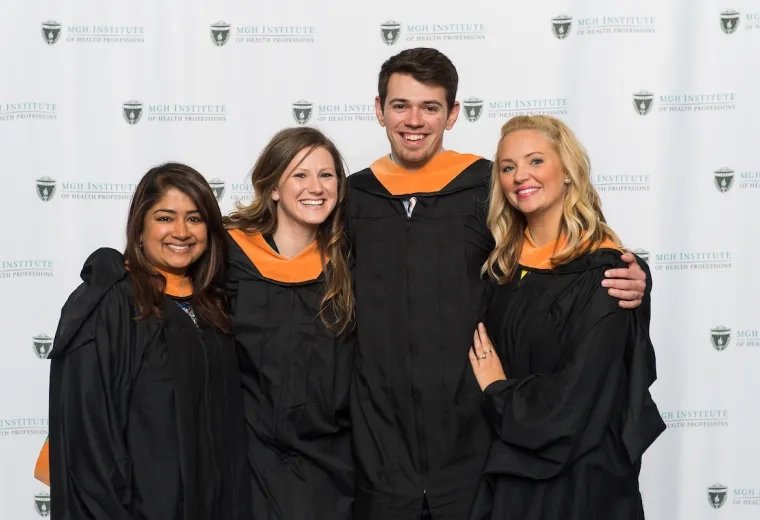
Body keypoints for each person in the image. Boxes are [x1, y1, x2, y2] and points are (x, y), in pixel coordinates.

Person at [346, 47, 651, 519]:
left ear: (452, 115)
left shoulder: (486, 187)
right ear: (378, 109)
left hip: (476, 438)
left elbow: (567, 247)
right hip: (380, 446)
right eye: (400, 105)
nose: (414, 120)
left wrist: (639, 276)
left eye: (430, 107)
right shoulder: (352, 198)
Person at [467, 115, 665, 519]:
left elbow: (576, 399)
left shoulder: (607, 274)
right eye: (508, 167)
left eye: (536, 161)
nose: (521, 175)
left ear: (568, 171)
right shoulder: (502, 267)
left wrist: (497, 390)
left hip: (579, 484)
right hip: (508, 474)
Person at [47, 163, 250, 520]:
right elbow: (87, 439)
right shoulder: (111, 303)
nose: (181, 232)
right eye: (165, 217)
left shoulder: (215, 308)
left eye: (195, 219)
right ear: (140, 227)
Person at [223, 127, 355, 519]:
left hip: (327, 464)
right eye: (300, 174)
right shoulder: (228, 255)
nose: (315, 187)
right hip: (246, 456)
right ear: (274, 187)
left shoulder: (351, 261)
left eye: (326, 175)